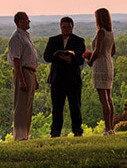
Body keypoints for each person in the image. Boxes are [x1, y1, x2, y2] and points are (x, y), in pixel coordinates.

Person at [43, 16, 86, 137]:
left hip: (73, 80)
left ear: (72, 27)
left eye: (68, 27)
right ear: (60, 27)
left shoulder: (79, 41)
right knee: (57, 108)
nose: (66, 29)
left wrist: (70, 60)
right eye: (64, 27)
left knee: (75, 107)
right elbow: (46, 57)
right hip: (57, 79)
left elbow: (81, 60)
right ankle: (55, 132)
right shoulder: (53, 40)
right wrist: (59, 57)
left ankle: (77, 131)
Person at [7, 11, 39, 140]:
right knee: (21, 106)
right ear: (19, 21)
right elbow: (17, 61)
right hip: (23, 72)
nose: (29, 22)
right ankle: (19, 136)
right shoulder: (16, 38)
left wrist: (34, 79)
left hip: (30, 72)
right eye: (26, 20)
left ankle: (26, 135)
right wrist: (22, 80)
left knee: (28, 106)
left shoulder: (26, 36)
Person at [87, 7, 116, 135]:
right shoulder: (111, 32)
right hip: (109, 64)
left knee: (103, 99)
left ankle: (108, 128)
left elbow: (97, 51)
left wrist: (90, 60)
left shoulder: (101, 32)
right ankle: (111, 127)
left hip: (100, 66)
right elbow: (113, 51)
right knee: (109, 98)